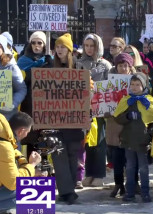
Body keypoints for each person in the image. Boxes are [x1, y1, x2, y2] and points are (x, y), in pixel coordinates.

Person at [49, 33, 86, 205]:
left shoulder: (79, 68)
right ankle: (67, 191)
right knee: (58, 154)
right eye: (57, 47)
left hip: (74, 121)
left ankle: (68, 190)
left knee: (72, 155)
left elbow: (87, 93)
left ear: (69, 50)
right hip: (55, 120)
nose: (59, 50)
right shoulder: (49, 68)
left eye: (63, 46)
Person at [114, 72, 153, 203]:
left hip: (143, 140)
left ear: (144, 85)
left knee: (143, 168)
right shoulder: (126, 100)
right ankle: (130, 192)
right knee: (129, 167)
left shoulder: (150, 101)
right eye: (132, 84)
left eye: (137, 84)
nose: (134, 87)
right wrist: (127, 117)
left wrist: (150, 134)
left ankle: (145, 192)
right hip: (128, 139)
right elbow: (118, 117)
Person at [78, 33, 112, 187]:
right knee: (87, 141)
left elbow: (110, 86)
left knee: (99, 141)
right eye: (87, 45)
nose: (89, 48)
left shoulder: (105, 65)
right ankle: (89, 173)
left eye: (92, 45)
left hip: (99, 107)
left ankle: (99, 174)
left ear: (98, 46)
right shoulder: (78, 63)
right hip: (83, 107)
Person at [106, 53, 137, 198]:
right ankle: (118, 184)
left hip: (132, 124)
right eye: (120, 65)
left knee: (132, 158)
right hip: (115, 123)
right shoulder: (109, 82)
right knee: (117, 158)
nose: (123, 68)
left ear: (131, 68)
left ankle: (133, 183)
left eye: (126, 66)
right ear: (116, 66)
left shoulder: (138, 82)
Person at [0, 112, 41, 212]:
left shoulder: (3, 140)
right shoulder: (4, 146)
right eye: (27, 132)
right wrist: (32, 165)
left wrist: (23, 161)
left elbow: (11, 151)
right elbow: (13, 182)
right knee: (39, 190)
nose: (27, 135)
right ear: (21, 131)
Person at [18, 31, 53, 117]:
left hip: (45, 102)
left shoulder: (49, 60)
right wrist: (30, 74)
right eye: (33, 43)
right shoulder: (22, 60)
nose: (36, 45)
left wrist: (51, 64)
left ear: (44, 45)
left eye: (39, 43)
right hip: (27, 102)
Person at [0, 35, 26, 120]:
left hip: (6, 117)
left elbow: (21, 89)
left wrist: (12, 104)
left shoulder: (11, 66)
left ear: (3, 48)